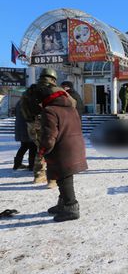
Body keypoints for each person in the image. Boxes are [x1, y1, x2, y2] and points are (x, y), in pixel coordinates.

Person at [39, 88, 88, 222]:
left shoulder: (50, 110)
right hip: (74, 145)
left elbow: (49, 136)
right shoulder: (72, 109)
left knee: (63, 177)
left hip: (62, 148)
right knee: (64, 176)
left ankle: (71, 207)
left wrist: (43, 149)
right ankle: (63, 204)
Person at [21, 68, 75, 188]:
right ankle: (52, 179)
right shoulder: (55, 89)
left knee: (41, 149)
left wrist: (30, 120)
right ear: (53, 78)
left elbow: (22, 107)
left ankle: (39, 175)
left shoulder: (29, 90)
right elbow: (72, 103)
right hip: (49, 124)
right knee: (52, 149)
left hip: (32, 124)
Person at [13, 100, 36, 171]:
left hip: (20, 127)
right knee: (33, 146)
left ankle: (17, 164)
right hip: (27, 127)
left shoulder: (19, 102)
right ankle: (32, 165)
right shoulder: (29, 102)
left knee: (24, 146)